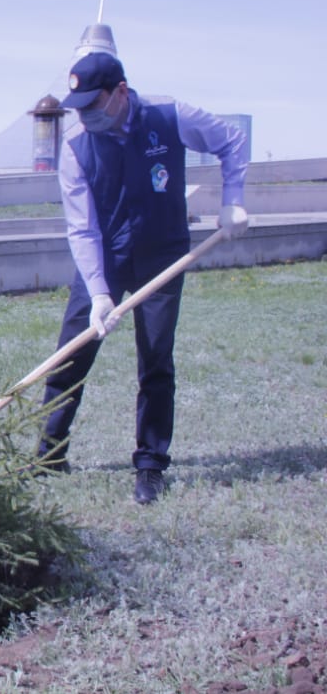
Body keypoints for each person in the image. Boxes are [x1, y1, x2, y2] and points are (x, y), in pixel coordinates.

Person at [34, 51, 249, 504]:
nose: (85, 115)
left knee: (155, 360)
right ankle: (48, 456)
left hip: (162, 254)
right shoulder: (75, 148)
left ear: (121, 93)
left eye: (94, 104)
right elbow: (82, 227)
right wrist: (97, 293)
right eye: (79, 107)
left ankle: (151, 464)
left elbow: (232, 139)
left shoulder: (170, 117)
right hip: (106, 259)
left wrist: (232, 200)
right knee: (72, 354)